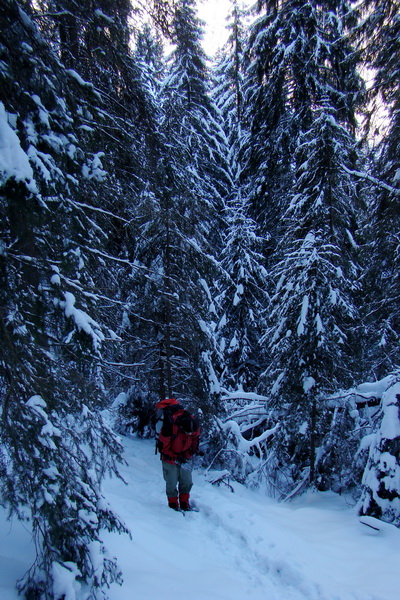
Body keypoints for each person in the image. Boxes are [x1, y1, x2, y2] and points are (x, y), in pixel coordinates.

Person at [155, 398, 200, 511]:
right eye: (187, 433)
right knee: (171, 483)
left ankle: (185, 503)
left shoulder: (192, 423)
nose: (190, 434)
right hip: (169, 459)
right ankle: (173, 505)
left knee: (187, 481)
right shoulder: (169, 427)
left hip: (185, 457)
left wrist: (190, 452)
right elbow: (163, 448)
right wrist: (175, 457)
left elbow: (195, 438)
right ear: (181, 428)